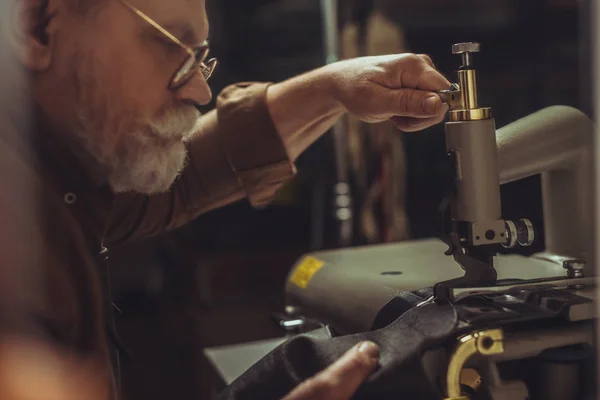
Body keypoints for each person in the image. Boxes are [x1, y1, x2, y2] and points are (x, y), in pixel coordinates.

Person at [0, 0, 450, 399]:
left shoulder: (59, 167)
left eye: (199, 59)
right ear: (38, 25)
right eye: (171, 45)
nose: (199, 91)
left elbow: (181, 172)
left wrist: (334, 88)